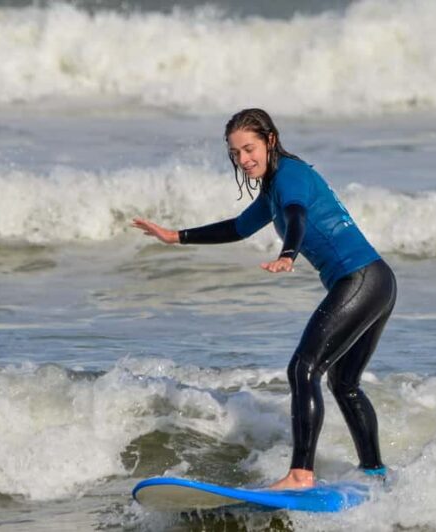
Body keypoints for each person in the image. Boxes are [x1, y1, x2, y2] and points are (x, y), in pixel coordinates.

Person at [132, 108, 396, 490]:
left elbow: (297, 215)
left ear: (270, 140)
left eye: (249, 148)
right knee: (344, 382)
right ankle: (375, 474)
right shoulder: (275, 187)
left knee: (303, 370)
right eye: (235, 153)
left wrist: (288, 253)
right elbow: (239, 227)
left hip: (360, 279)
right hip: (378, 282)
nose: (243, 159)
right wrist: (176, 236)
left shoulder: (289, 177)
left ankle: (300, 475)